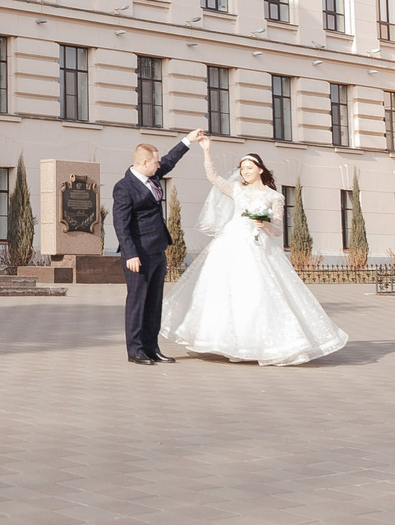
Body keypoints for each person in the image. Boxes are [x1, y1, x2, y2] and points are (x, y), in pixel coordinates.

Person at [161, 139, 351, 366]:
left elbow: (279, 229)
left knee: (256, 292)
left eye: (249, 168)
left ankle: (258, 345)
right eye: (242, 169)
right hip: (230, 244)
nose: (245, 172)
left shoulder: (274, 197)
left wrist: (266, 225)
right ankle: (227, 343)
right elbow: (213, 177)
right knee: (224, 292)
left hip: (258, 246)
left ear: (260, 169)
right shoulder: (237, 190)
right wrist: (207, 151)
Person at [110, 130, 204, 365]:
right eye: (155, 161)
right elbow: (121, 224)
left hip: (157, 250)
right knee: (137, 302)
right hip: (138, 255)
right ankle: (136, 350)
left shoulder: (152, 176)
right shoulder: (124, 187)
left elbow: (171, 160)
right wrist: (130, 253)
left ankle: (152, 348)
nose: (159, 164)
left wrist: (188, 140)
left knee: (154, 303)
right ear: (143, 162)